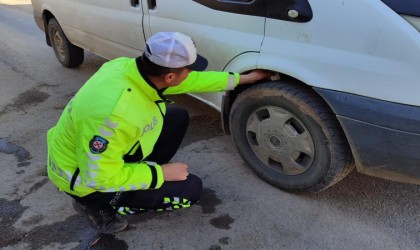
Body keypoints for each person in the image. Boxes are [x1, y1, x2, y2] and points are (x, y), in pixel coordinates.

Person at [46, 32, 272, 234]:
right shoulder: (114, 118)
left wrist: (243, 79)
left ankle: (136, 178)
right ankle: (98, 207)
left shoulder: (127, 68)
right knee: (190, 190)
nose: (191, 73)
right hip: (85, 178)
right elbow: (97, 177)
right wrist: (160, 174)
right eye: (188, 69)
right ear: (170, 77)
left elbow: (193, 80)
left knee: (176, 117)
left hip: (97, 154)